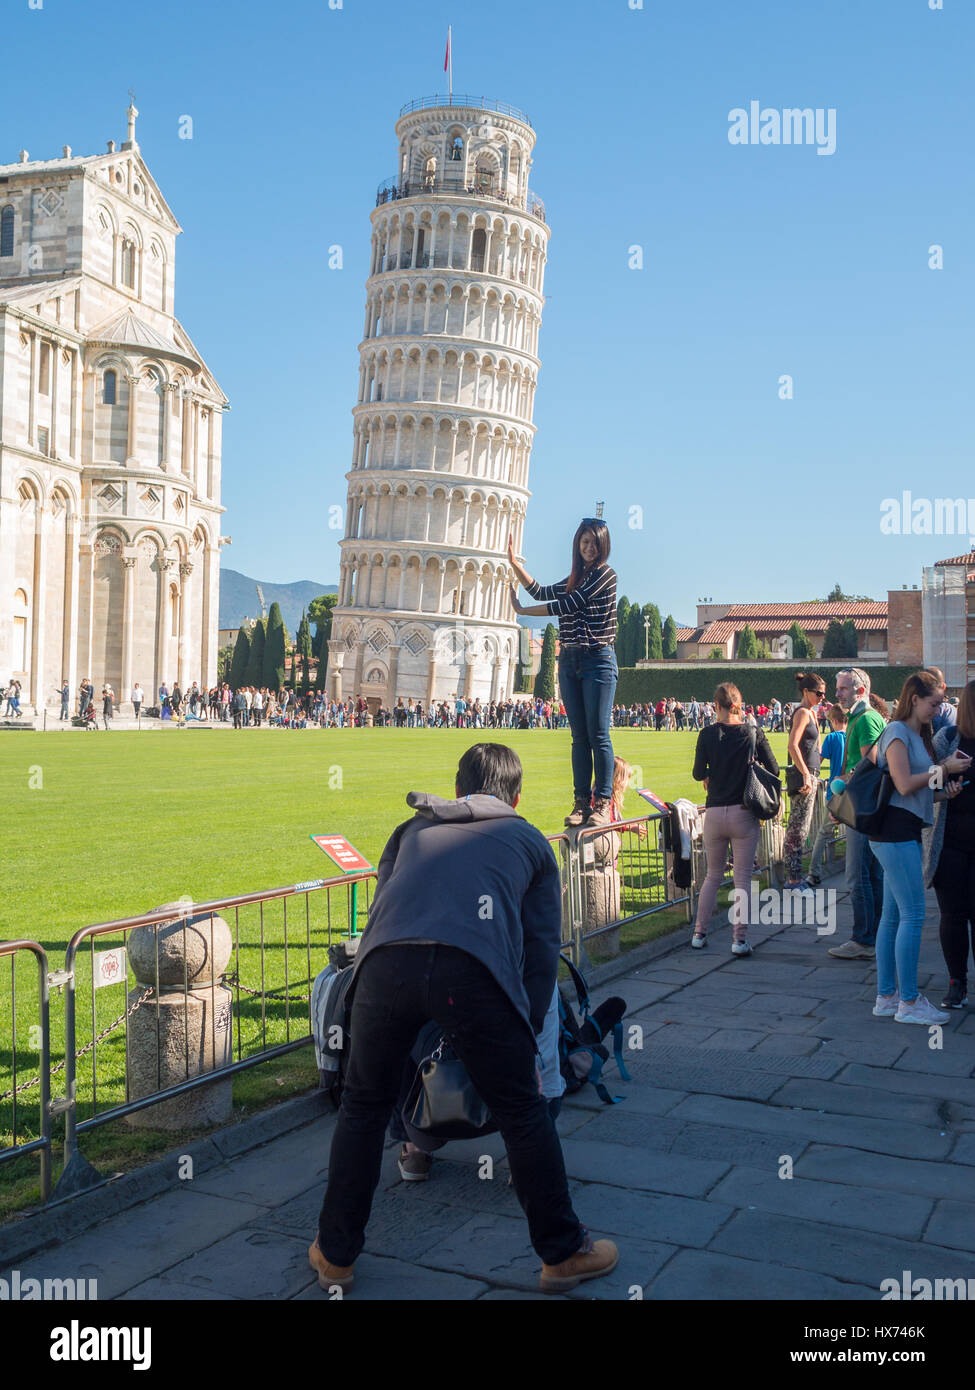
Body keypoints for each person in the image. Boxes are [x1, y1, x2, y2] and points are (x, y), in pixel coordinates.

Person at [310, 743, 618, 1295]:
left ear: (457, 790)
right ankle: (563, 1252)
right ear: (517, 796)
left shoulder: (411, 831)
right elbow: (540, 951)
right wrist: (523, 1028)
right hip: (471, 972)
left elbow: (385, 906)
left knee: (362, 1107)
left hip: (385, 968)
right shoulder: (528, 840)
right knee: (523, 1110)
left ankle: (334, 1254)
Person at [867, 670, 970, 1024]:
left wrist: (945, 790)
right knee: (913, 916)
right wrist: (943, 767)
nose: (939, 709)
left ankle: (887, 996)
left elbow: (920, 790)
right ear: (914, 699)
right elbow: (905, 783)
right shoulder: (897, 732)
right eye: (934, 702)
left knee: (894, 917)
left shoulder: (914, 733)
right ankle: (909, 1002)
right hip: (894, 833)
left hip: (902, 830)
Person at [508, 518, 618, 829]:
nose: (589, 548)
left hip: (597, 659)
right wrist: (515, 564)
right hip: (570, 660)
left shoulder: (606, 576)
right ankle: (581, 801)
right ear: (577, 544)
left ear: (603, 546)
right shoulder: (575, 577)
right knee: (579, 737)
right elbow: (541, 591)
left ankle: (603, 802)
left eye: (594, 543)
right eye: (584, 542)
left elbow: (568, 604)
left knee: (599, 734)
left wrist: (522, 611)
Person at [690, 682, 779, 956]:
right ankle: (739, 939)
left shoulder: (706, 734)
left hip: (715, 812)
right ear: (739, 705)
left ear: (716, 705)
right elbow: (774, 768)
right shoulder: (753, 732)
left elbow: (697, 773)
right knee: (742, 879)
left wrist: (709, 775)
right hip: (743, 811)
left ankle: (699, 933)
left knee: (712, 876)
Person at [827, 668, 886, 960]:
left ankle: (863, 939)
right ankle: (876, 936)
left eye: (843, 689)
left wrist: (842, 792)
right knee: (872, 874)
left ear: (860, 691)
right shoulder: (860, 717)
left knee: (857, 875)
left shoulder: (865, 719)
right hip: (865, 806)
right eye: (838, 688)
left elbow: (871, 764)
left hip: (862, 808)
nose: (837, 693)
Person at [925, 679, 975, 1010]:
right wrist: (946, 770)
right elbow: (925, 786)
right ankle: (957, 982)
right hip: (952, 843)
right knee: (953, 916)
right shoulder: (947, 739)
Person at [783, 673, 826, 889]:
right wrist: (807, 774)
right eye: (818, 693)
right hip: (803, 777)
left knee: (802, 827)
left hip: (809, 773)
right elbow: (793, 745)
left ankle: (795, 876)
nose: (822, 697)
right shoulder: (802, 713)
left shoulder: (810, 713)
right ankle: (793, 878)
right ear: (806, 692)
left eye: (824, 693)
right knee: (797, 829)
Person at [805, 705, 847, 886]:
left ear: (834, 721)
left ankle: (814, 872)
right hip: (853, 792)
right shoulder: (853, 736)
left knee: (823, 833)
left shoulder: (833, 737)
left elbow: (818, 761)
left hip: (835, 792)